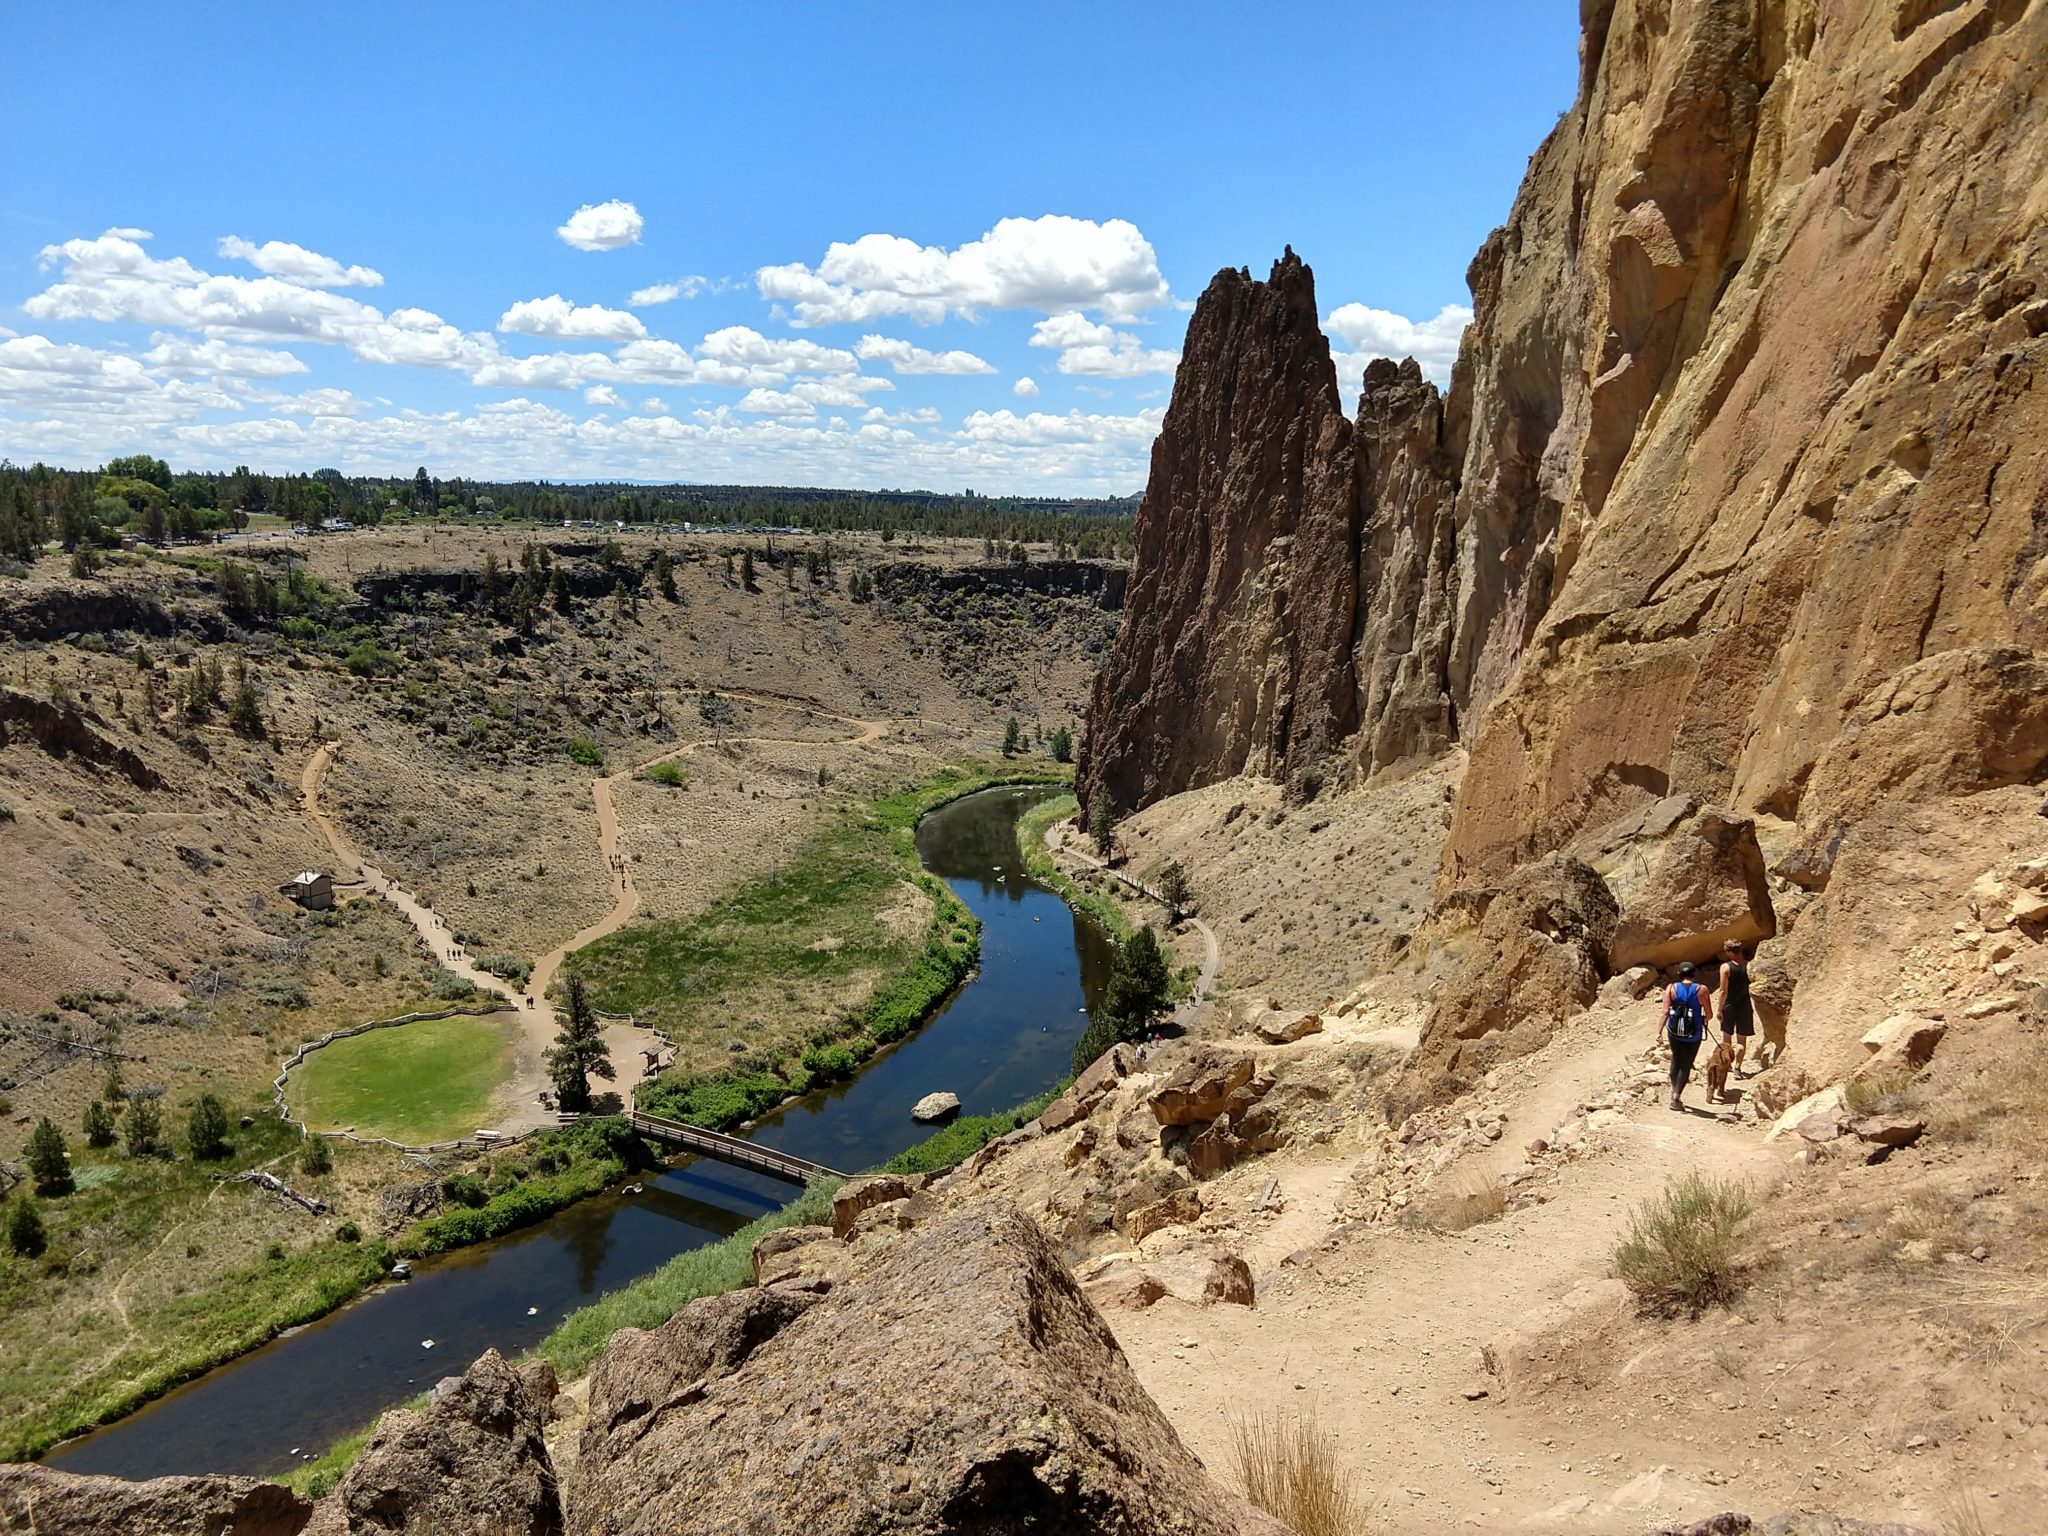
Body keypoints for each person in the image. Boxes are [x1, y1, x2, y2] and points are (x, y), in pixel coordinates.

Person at [1655, 960, 1715, 1111]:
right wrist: (1701, 1018)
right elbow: (1709, 1014)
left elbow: (1665, 1012)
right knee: (1686, 1064)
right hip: (1693, 1033)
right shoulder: (1702, 990)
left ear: (1679, 974)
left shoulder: (1671, 988)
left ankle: (1673, 1090)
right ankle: (1676, 1098)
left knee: (1676, 1059)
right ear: (1694, 973)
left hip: (1674, 1031)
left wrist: (1659, 1032)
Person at [1716, 941, 1755, 1077]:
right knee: (1741, 1040)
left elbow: (1723, 991)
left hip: (1729, 1006)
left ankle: (1727, 1065)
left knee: (1727, 1039)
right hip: (1744, 1005)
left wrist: (1719, 1009)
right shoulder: (1749, 966)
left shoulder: (1725, 968)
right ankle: (1737, 1068)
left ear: (1730, 952)